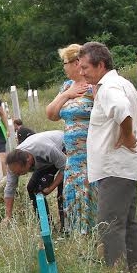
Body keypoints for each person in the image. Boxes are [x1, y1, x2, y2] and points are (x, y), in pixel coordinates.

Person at [78, 41, 137, 271]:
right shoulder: (122, 83)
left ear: (100, 65)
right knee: (127, 224)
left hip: (115, 168)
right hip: (124, 167)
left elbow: (122, 110)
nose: (81, 73)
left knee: (109, 226)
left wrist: (128, 134)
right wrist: (126, 130)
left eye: (85, 68)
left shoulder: (109, 88)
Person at [45, 44, 97, 236]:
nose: (63, 67)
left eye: (65, 63)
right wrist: (66, 95)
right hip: (73, 156)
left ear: (77, 63)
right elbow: (51, 114)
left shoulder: (93, 86)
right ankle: (79, 235)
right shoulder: (67, 87)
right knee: (74, 193)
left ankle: (96, 234)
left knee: (91, 191)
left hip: (91, 153)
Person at [4, 130, 66, 229]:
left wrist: (51, 188)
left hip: (62, 148)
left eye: (20, 172)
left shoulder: (47, 149)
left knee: (63, 193)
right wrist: (8, 216)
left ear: (28, 160)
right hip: (46, 161)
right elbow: (10, 188)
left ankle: (66, 227)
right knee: (33, 188)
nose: (18, 175)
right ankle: (46, 226)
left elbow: (65, 168)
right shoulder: (13, 164)